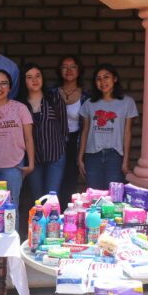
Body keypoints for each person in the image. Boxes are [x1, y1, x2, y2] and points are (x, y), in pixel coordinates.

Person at [0, 69, 34, 216]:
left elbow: (29, 138)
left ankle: (12, 239)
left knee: (11, 207)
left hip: (14, 166)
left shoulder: (20, 108)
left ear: (10, 87)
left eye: (4, 83)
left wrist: (31, 163)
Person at [78, 63, 138, 190]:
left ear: (115, 79)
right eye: (98, 79)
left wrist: (125, 161)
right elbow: (85, 131)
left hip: (115, 155)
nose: (102, 82)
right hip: (92, 155)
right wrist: (80, 158)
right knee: (94, 196)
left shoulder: (127, 102)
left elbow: (127, 133)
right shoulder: (89, 104)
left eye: (106, 77)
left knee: (114, 196)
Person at [17, 62, 68, 201]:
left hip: (56, 155)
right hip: (33, 158)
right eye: (29, 77)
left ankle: (52, 223)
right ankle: (39, 223)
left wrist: (62, 147)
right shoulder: (20, 104)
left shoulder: (54, 98)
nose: (35, 80)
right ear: (23, 81)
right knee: (38, 200)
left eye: (38, 76)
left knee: (52, 198)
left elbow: (64, 127)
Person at [53, 55, 89, 204]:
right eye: (64, 67)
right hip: (55, 142)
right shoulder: (52, 94)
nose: (69, 70)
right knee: (54, 182)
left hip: (75, 142)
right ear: (59, 71)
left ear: (79, 70)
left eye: (73, 66)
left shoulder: (86, 96)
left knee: (70, 182)